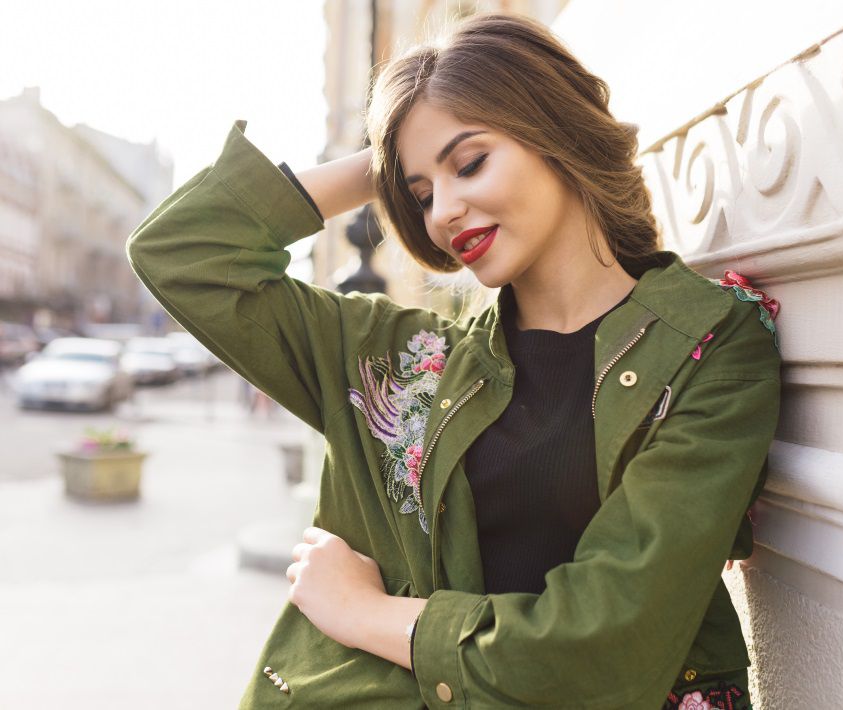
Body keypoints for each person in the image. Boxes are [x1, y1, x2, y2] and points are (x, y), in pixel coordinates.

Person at [126, 12, 781, 709]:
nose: (444, 212)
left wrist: (364, 614)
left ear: (554, 129)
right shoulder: (402, 360)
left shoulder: (707, 344)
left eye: (470, 163)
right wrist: (389, 154)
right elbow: (181, 251)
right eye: (421, 194)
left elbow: (606, 641)